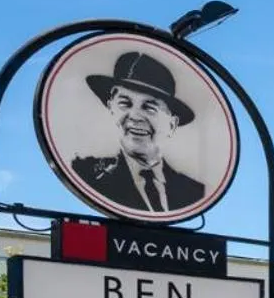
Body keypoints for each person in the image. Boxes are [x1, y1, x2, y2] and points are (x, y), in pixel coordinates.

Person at [70, 50, 206, 214]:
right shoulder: (87, 177)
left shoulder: (195, 193)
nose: (135, 116)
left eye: (149, 107)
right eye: (125, 103)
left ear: (172, 124)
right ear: (111, 110)